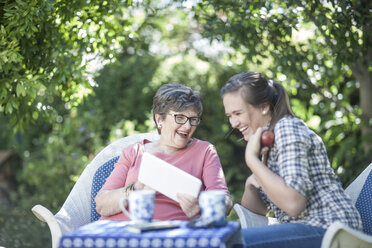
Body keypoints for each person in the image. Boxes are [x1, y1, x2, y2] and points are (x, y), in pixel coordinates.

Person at [221, 72, 362, 248]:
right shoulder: (267, 141)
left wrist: (251, 160)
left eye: (237, 113)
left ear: (264, 107)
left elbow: (294, 204)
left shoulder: (287, 128)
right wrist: (251, 184)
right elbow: (255, 213)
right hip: (307, 230)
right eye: (229, 116)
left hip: (330, 230)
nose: (233, 123)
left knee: (228, 242)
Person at [95, 83, 233, 221]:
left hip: (170, 237)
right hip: (117, 232)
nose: (187, 126)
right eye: (180, 117)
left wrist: (201, 207)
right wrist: (135, 188)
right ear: (159, 119)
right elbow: (101, 204)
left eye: (193, 119)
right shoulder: (134, 152)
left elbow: (226, 203)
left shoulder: (205, 152)